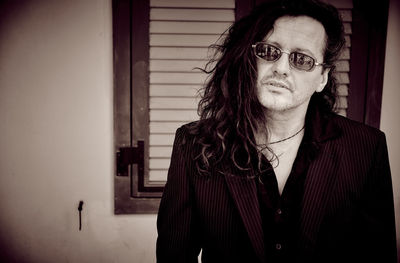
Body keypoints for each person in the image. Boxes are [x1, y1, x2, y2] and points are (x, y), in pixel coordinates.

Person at [156, 0, 397, 262]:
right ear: (251, 58)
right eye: (269, 51)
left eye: (302, 59)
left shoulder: (366, 147)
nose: (281, 68)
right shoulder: (192, 143)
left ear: (322, 78)